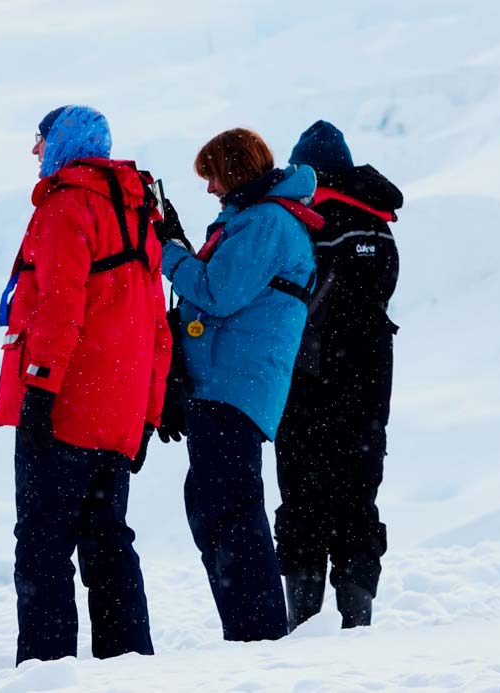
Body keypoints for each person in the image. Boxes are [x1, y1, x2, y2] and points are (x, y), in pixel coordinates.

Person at [0, 105, 172, 664]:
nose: (35, 151)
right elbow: (155, 326)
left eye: (40, 139)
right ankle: (128, 664)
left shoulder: (65, 206)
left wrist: (40, 390)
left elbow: (59, 306)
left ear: (63, 142)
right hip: (118, 414)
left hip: (67, 403)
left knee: (43, 545)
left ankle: (47, 671)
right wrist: (147, 415)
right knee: (108, 543)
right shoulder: (141, 215)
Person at [154, 128, 320, 642]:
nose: (209, 189)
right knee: (213, 505)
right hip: (224, 385)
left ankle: (258, 633)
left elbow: (215, 292)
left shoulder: (267, 222)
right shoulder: (255, 221)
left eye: (213, 176)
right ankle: (251, 627)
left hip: (235, 386)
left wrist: (167, 250)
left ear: (237, 170)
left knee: (228, 510)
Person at [274, 120, 403, 630]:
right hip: (369, 383)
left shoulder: (300, 221)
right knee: (357, 499)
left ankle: (302, 622)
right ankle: (357, 619)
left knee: (302, 500)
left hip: (306, 381)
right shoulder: (378, 222)